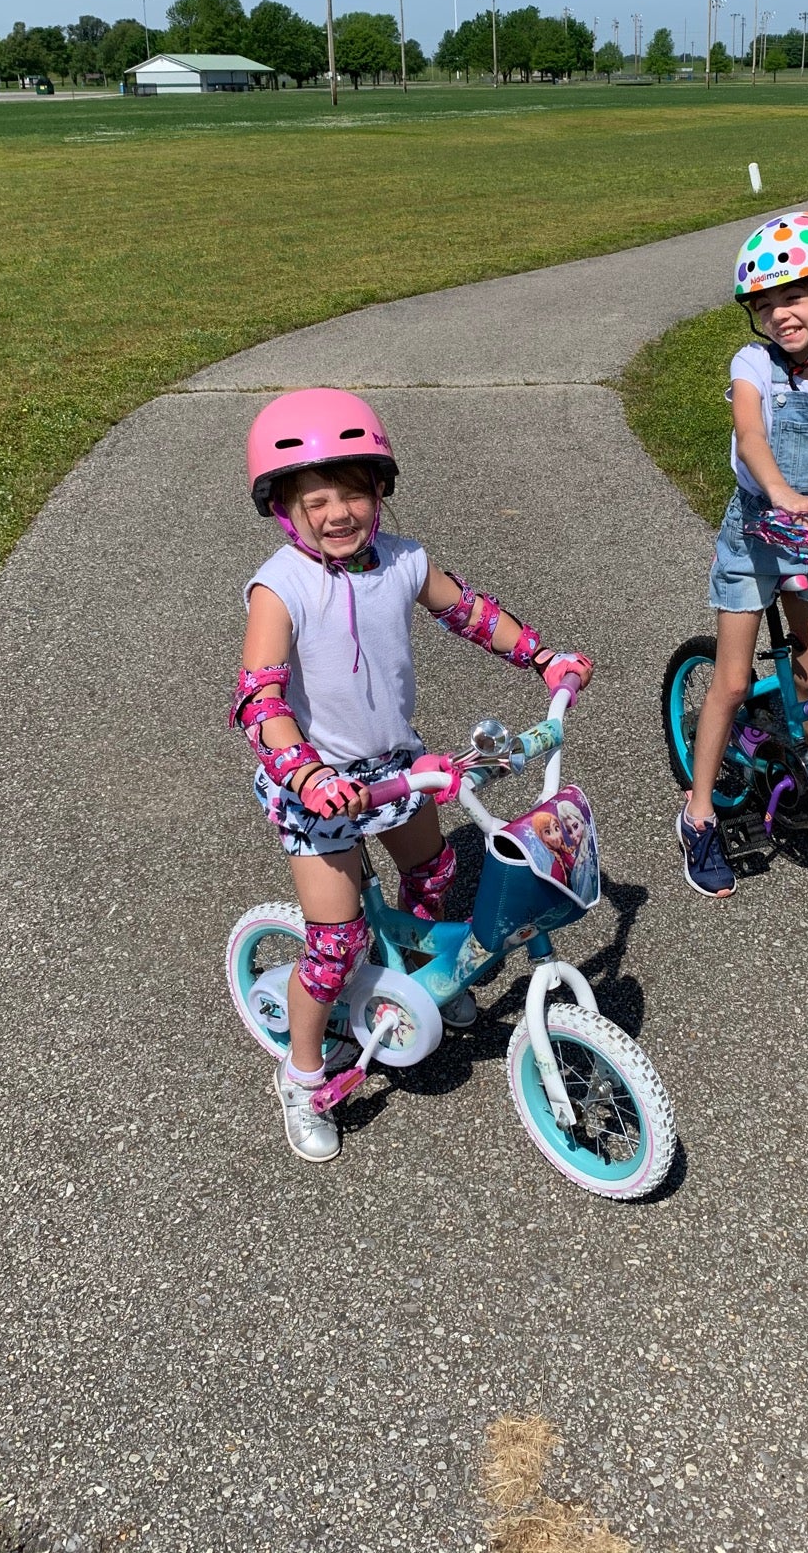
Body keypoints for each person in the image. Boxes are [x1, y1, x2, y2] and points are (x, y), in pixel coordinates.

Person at [232, 388, 594, 1163]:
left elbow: (467, 611)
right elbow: (259, 696)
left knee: (433, 872)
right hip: (321, 791)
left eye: (354, 492)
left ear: (380, 491)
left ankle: (431, 975)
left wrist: (542, 657)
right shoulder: (279, 586)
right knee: (334, 945)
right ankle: (301, 1074)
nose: (338, 513)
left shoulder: (403, 560)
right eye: (316, 498)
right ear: (285, 509)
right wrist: (304, 775)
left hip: (398, 771)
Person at [678, 211, 808, 898]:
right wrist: (781, 490)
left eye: (794, 296)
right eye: (765, 304)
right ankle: (700, 811)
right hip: (756, 528)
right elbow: (750, 437)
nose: (778, 313)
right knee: (734, 682)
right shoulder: (753, 365)